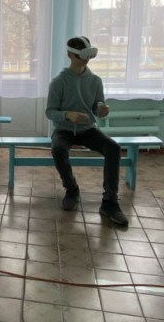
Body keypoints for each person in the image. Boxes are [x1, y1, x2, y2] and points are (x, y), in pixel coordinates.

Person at [45, 35, 128, 226]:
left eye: (88, 56)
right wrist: (68, 115)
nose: (86, 60)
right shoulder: (59, 82)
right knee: (58, 149)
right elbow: (50, 112)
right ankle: (71, 189)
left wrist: (101, 110)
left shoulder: (95, 81)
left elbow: (97, 106)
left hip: (88, 129)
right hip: (64, 129)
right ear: (70, 55)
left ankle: (110, 202)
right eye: (82, 56)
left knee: (113, 148)